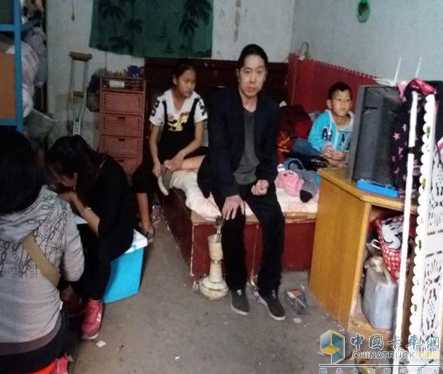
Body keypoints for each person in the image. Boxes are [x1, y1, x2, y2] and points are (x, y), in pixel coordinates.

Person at [0, 132, 84, 374]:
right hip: (39, 349)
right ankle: (58, 364)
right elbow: (75, 272)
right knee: (63, 308)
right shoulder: (57, 208)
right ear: (34, 166)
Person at [197, 44, 286, 320]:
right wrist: (231, 192)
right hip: (225, 177)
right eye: (247, 72)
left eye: (258, 72)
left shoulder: (270, 108)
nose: (252, 79)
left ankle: (268, 288)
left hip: (254, 178)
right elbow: (218, 151)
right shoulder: (221, 103)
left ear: (265, 75)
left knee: (276, 219)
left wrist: (265, 178)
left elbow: (270, 151)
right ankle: (236, 284)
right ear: (238, 73)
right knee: (234, 219)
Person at [47, 135, 135, 340]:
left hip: (116, 229)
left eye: (60, 177)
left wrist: (74, 198)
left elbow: (102, 229)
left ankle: (94, 302)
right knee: (61, 238)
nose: (58, 181)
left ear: (75, 174)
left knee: (101, 252)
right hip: (91, 220)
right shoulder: (86, 173)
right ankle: (74, 296)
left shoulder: (110, 175)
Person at [132, 59, 209, 240]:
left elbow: (198, 140)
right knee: (140, 176)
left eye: (193, 82)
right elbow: (153, 139)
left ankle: (172, 168)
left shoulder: (197, 101)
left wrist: (181, 155)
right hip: (165, 149)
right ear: (175, 79)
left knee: (213, 157)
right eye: (186, 81)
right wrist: (156, 161)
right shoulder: (163, 101)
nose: (190, 86)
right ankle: (146, 224)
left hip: (188, 150)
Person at [292, 81, 354, 167]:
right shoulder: (323, 118)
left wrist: (344, 155)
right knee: (298, 143)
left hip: (341, 160)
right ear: (329, 104)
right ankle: (329, 162)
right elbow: (313, 138)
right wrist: (324, 147)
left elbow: (357, 149)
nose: (343, 104)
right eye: (339, 99)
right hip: (320, 154)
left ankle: (330, 162)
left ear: (351, 104)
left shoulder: (355, 125)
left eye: (347, 100)